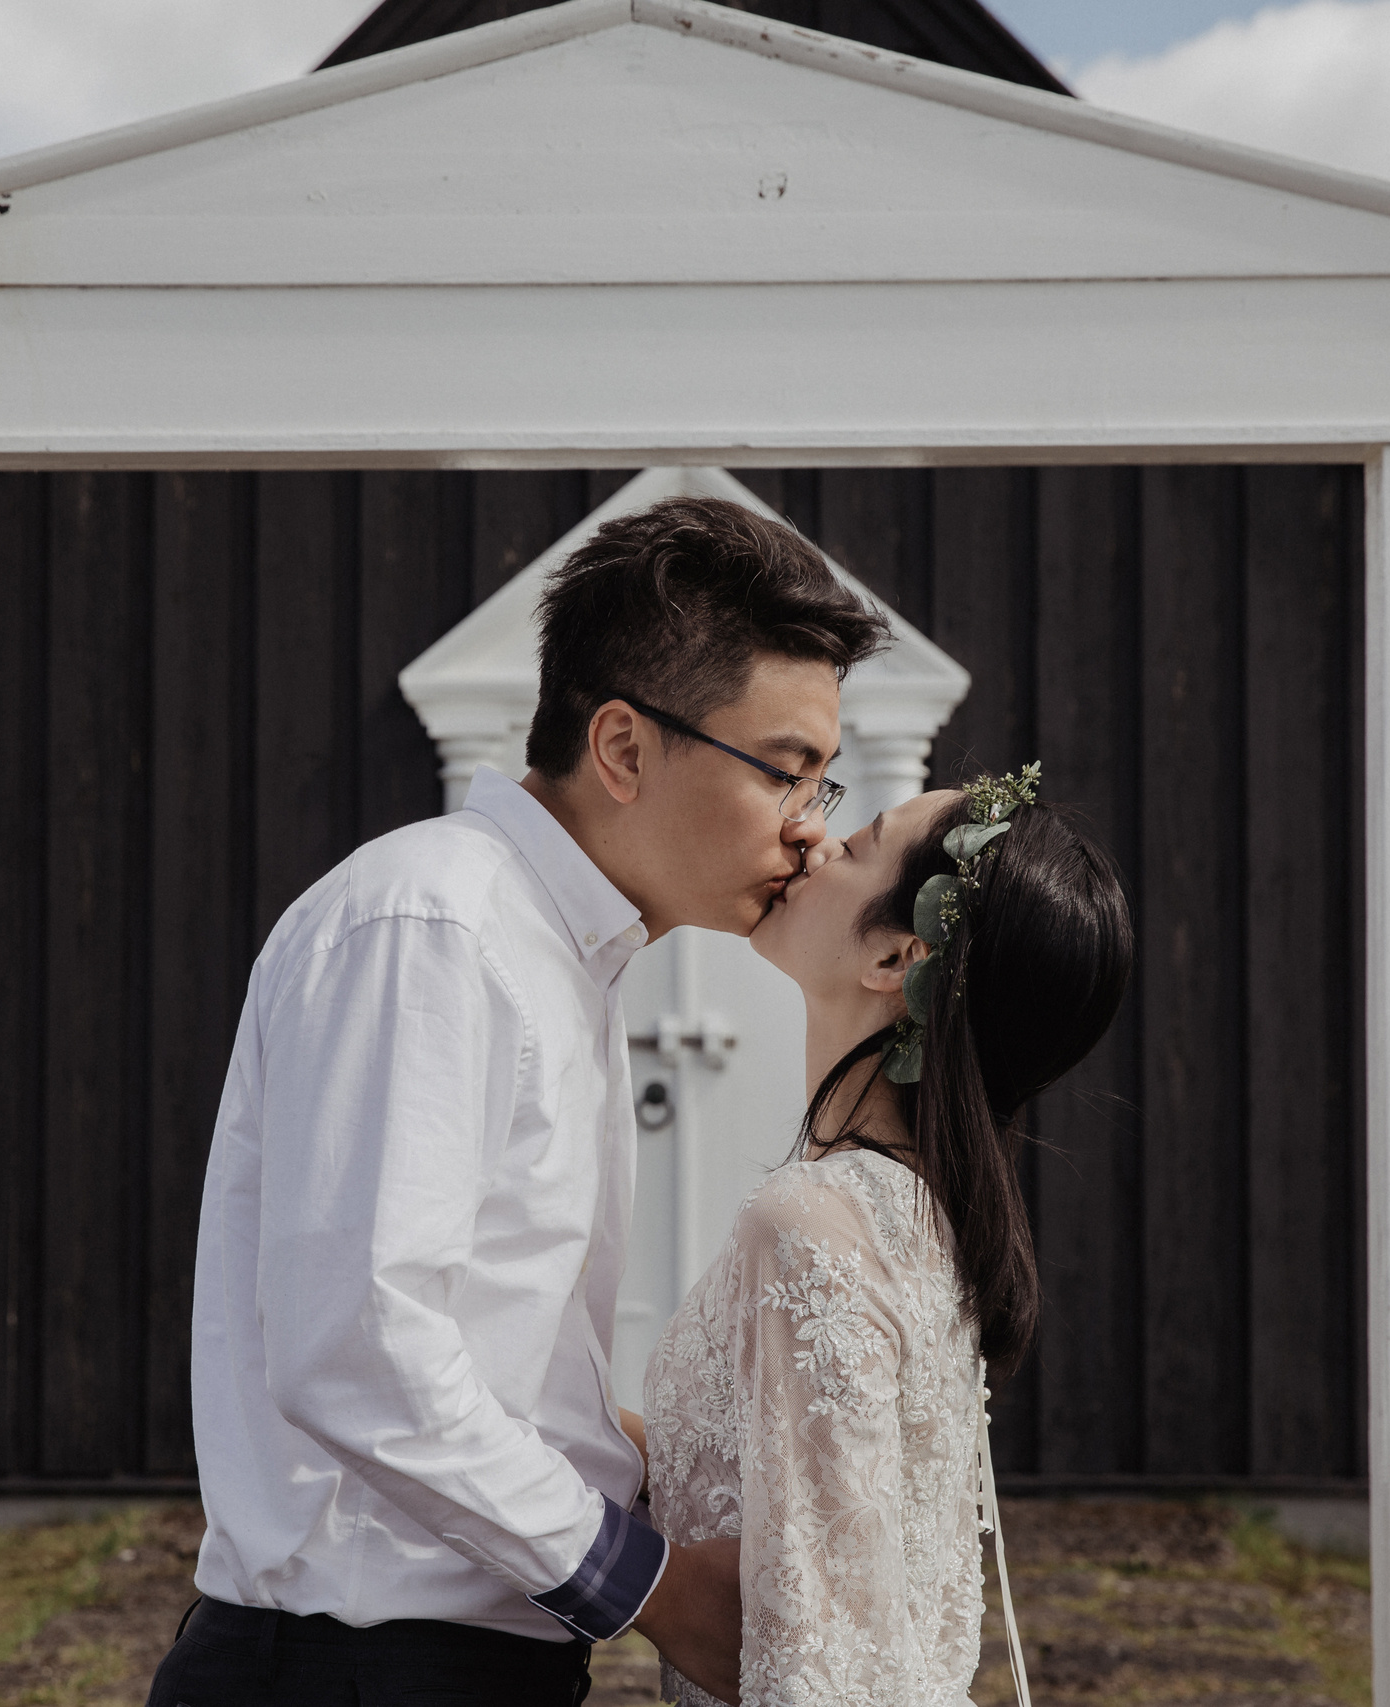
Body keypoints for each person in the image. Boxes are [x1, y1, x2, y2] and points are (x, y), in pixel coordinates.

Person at [150, 496, 890, 1707]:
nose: (811, 834)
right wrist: (652, 1587)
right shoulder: (434, 928)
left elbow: (501, 1357)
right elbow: (359, 1348)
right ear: (624, 748)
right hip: (358, 1669)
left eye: (823, 781)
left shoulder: (559, 952)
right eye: (787, 773)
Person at [641, 767, 1132, 1705]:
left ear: (897, 959)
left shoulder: (815, 1225)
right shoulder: (917, 1217)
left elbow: (825, 1662)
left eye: (858, 842)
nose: (814, 843)